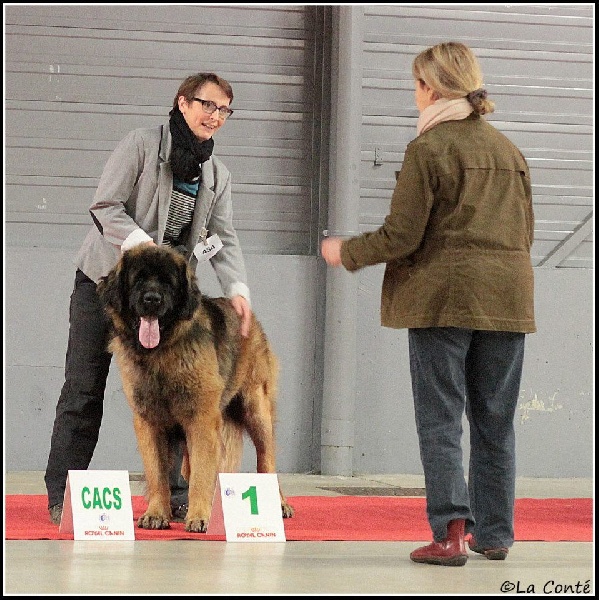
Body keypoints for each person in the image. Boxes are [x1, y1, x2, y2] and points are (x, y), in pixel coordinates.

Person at [321, 42, 536, 566]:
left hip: (444, 300)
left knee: (441, 420)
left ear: (432, 88)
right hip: (508, 299)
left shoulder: (428, 148)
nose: (414, 94)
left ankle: (450, 534)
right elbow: (525, 232)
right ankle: (495, 534)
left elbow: (402, 235)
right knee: (495, 422)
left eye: (416, 85)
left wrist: (346, 252)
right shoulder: (509, 151)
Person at [45, 72, 252, 525]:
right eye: (207, 105)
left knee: (175, 393)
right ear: (182, 103)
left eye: (224, 110)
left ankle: (173, 494)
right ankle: (62, 492)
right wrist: (141, 246)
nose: (215, 116)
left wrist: (237, 287)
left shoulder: (217, 174)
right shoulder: (140, 145)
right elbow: (105, 205)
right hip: (110, 283)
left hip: (167, 297)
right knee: (83, 388)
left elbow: (223, 236)